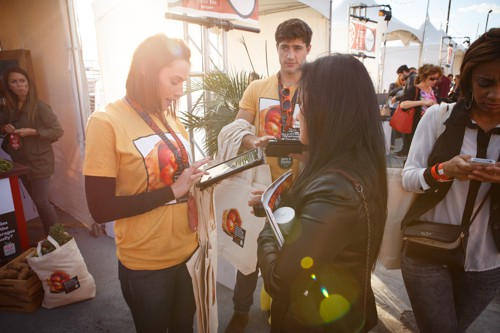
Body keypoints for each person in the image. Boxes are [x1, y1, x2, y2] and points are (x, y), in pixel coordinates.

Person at [83, 34, 209, 333]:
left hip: (188, 249)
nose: (180, 91)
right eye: (174, 81)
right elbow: (100, 209)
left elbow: (175, 176)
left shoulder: (168, 118)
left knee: (184, 328)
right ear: (146, 70)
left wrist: (194, 178)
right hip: (146, 263)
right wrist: (172, 191)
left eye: (183, 82)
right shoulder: (106, 122)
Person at [257, 54, 388, 332]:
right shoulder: (355, 163)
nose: (295, 115)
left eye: (302, 103)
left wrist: (270, 220)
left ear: (330, 110)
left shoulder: (336, 193)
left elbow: (281, 281)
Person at [400, 28, 500, 333]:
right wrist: (442, 171)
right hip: (426, 249)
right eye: (486, 83)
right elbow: (408, 178)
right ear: (468, 78)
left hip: (487, 262)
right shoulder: (439, 117)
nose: (495, 94)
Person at [224, 18, 313, 333]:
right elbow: (239, 125)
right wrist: (250, 140)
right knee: (250, 252)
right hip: (261, 188)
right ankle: (240, 311)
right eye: (285, 47)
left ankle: (282, 310)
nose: (291, 55)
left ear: (308, 50)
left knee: (294, 256)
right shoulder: (257, 88)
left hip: (303, 189)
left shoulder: (318, 89)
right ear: (277, 49)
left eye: (297, 48)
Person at [0, 67, 64, 235]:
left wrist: (33, 132)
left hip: (40, 161)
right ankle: (49, 238)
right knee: (38, 201)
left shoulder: (40, 107)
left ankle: (60, 240)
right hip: (20, 162)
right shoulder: (10, 107)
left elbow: (58, 131)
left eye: (22, 81)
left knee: (42, 201)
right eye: (14, 82)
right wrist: (4, 128)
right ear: (8, 86)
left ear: (29, 83)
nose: (19, 85)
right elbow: (1, 126)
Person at [393, 64, 442, 158]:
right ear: (424, 77)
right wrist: (423, 102)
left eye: (437, 79)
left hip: (430, 128)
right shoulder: (415, 89)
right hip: (416, 128)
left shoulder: (433, 90)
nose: (435, 81)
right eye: (432, 78)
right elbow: (403, 104)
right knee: (413, 155)